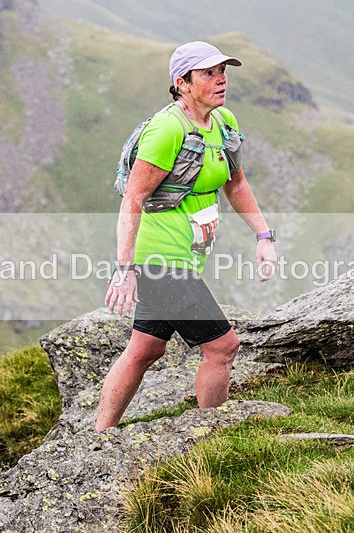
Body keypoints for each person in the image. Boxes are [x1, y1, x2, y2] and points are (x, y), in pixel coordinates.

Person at [95, 41, 277, 431]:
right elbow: (133, 199)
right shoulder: (167, 129)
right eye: (208, 73)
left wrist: (264, 236)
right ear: (182, 82)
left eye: (222, 71)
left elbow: (236, 182)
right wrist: (125, 268)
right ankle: (210, 438)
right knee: (223, 347)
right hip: (160, 260)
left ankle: (100, 435)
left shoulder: (224, 122)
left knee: (145, 349)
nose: (221, 79)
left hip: (187, 256)